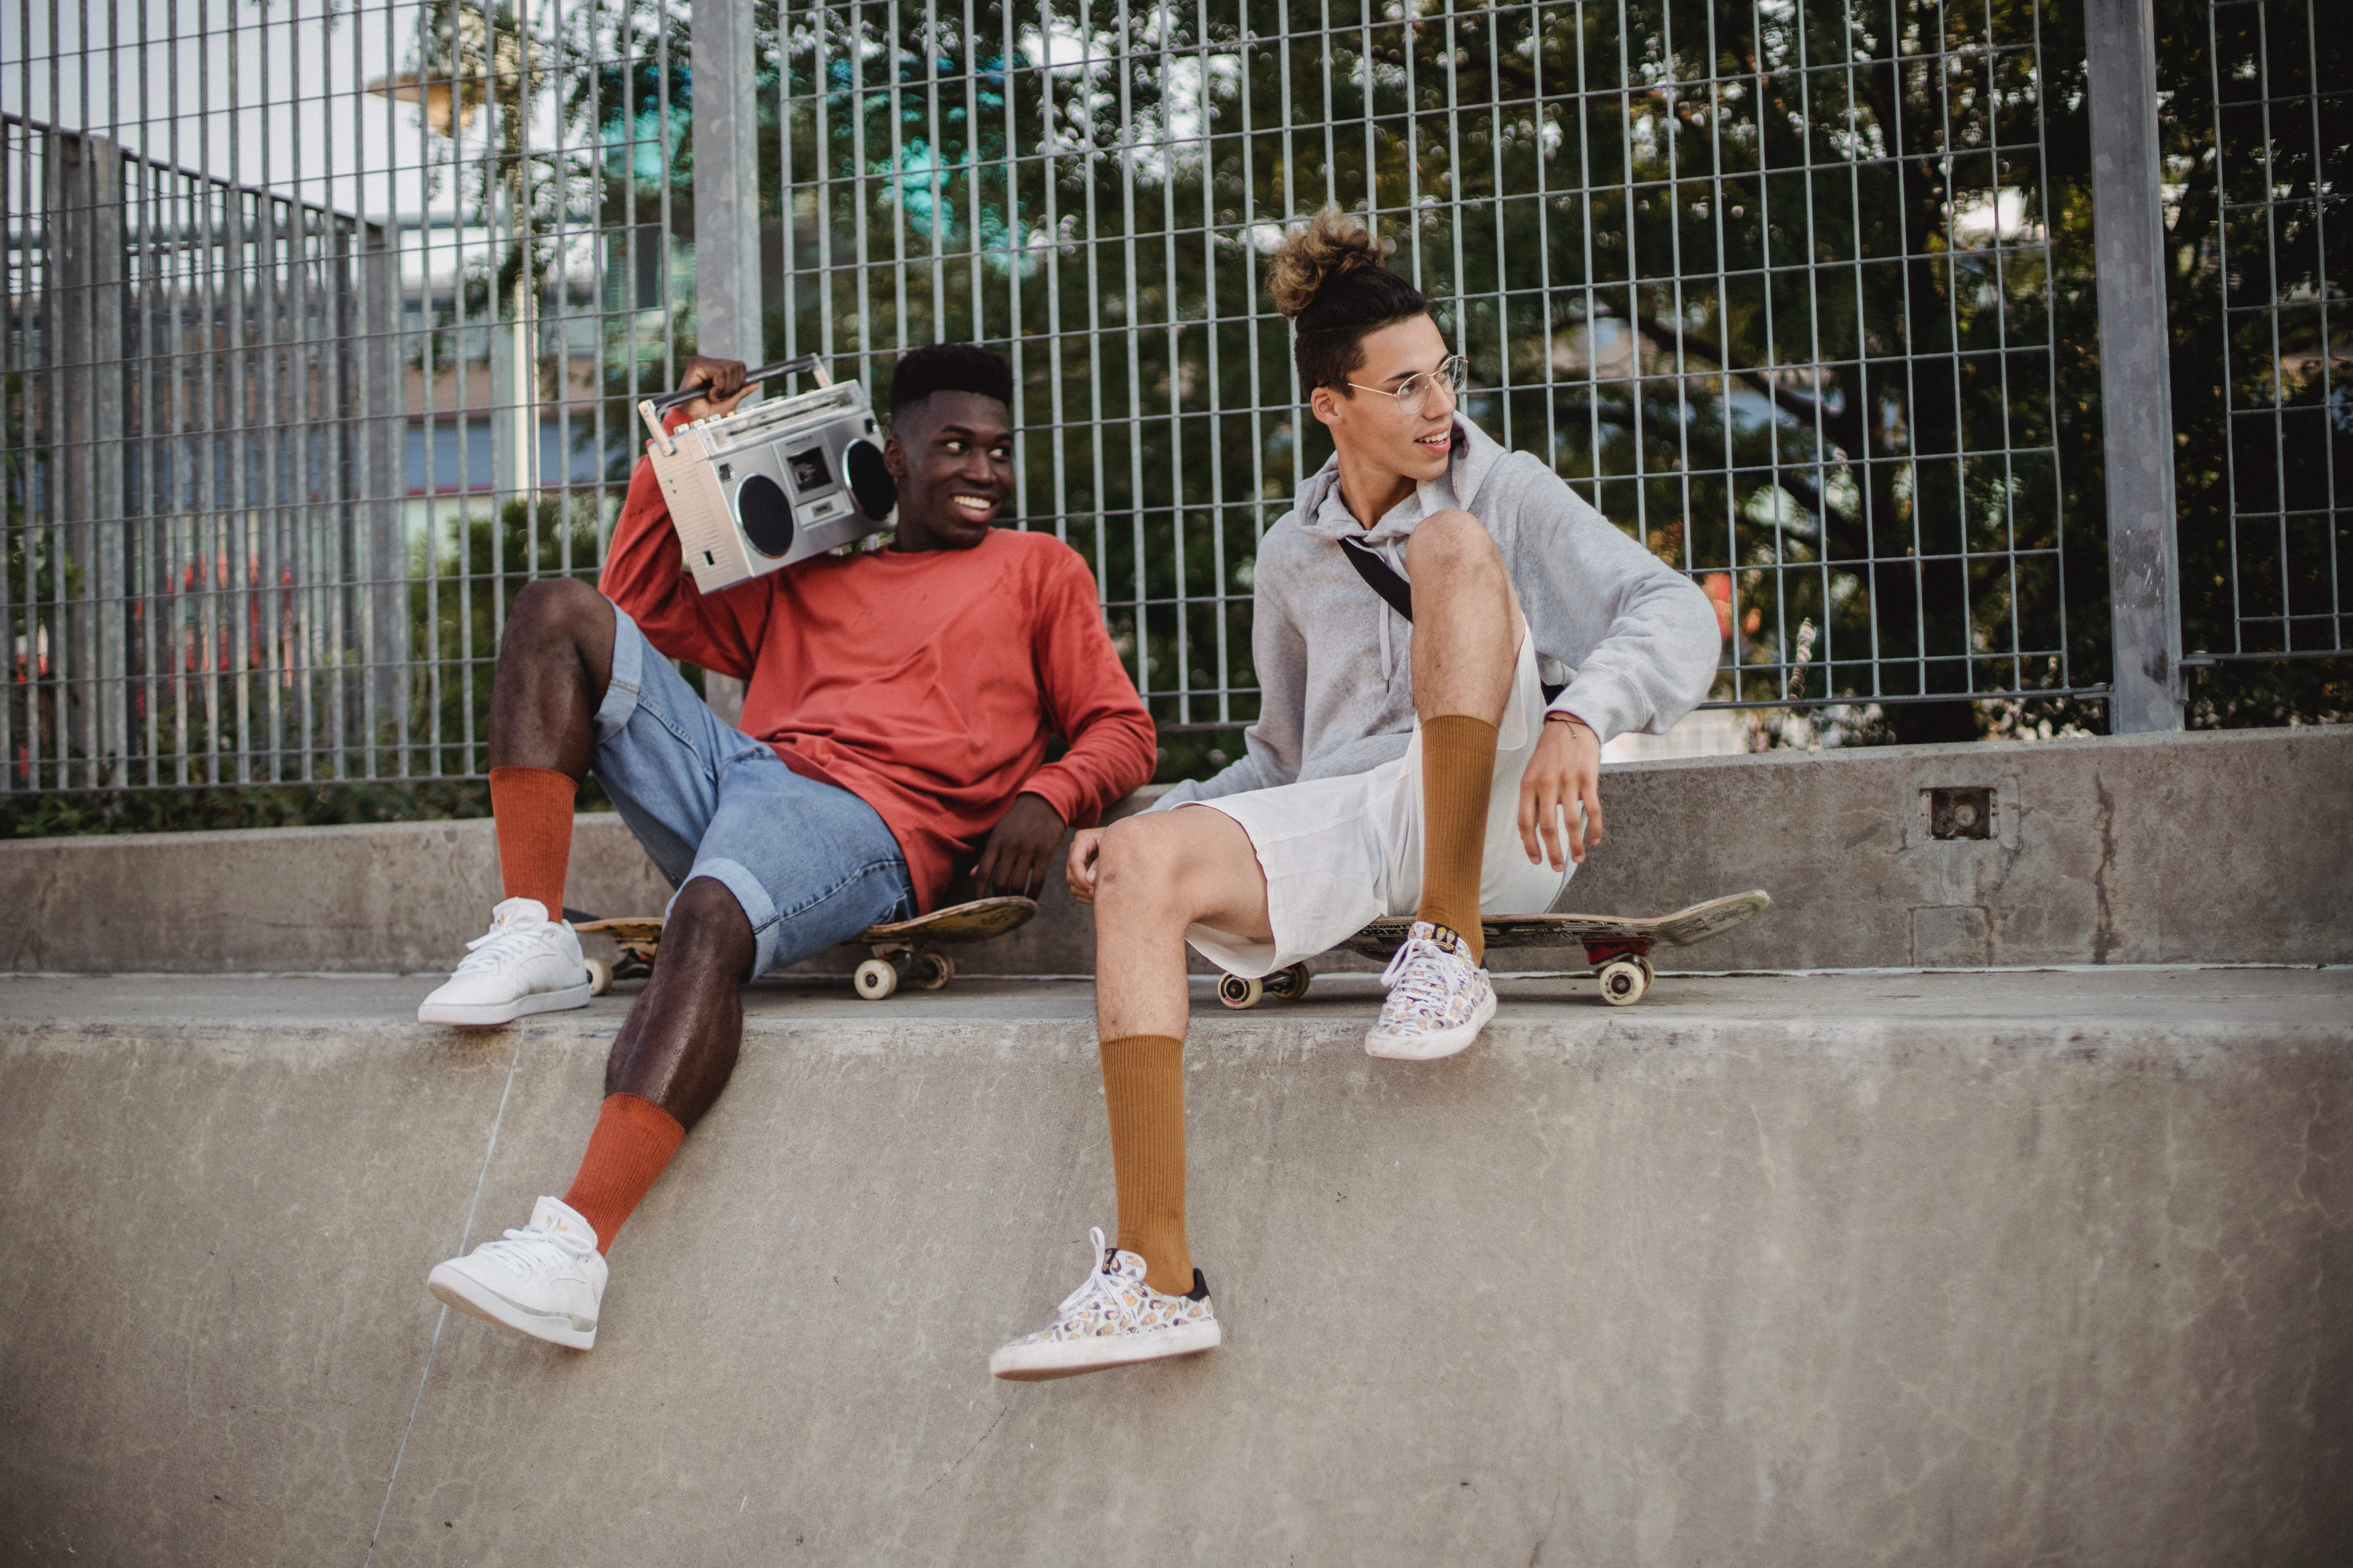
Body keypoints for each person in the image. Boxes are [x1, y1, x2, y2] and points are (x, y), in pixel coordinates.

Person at [988, 212, 1720, 1380]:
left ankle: (1450, 948)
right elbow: (1281, 763)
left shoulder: (1507, 490)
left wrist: (1583, 714)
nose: (1440, 407)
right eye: (1405, 387)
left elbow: (1677, 610)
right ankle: (1157, 1273)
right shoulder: (1291, 555)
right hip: (1359, 824)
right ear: (1333, 405)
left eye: (1446, 375)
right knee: (1137, 869)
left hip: (1489, 829)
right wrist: (1142, 821)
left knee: (1448, 550)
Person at [418, 343, 1156, 1350]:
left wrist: (1046, 792)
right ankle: (532, 928)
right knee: (558, 610)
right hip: (741, 777)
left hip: (870, 822)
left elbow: (1122, 726)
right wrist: (686, 437)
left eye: (998, 451)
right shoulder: (809, 575)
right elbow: (631, 599)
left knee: (707, 916)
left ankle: (572, 1249)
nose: (985, 472)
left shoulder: (1037, 570)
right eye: (954, 447)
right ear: (890, 458)